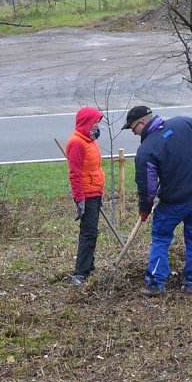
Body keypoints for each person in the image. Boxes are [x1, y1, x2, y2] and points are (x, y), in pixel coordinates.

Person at [123, 105, 192, 296]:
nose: (134, 133)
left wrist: (145, 209)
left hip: (175, 201)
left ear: (142, 122)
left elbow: (147, 186)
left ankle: (156, 283)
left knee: (161, 238)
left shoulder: (147, 150)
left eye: (133, 129)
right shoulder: (183, 122)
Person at [66, 107, 106, 285]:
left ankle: (89, 266)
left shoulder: (90, 141)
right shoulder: (77, 143)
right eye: (95, 122)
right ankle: (80, 273)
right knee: (88, 233)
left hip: (95, 191)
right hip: (87, 194)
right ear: (86, 122)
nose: (97, 126)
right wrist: (79, 198)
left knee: (92, 232)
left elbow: (94, 167)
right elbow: (74, 173)